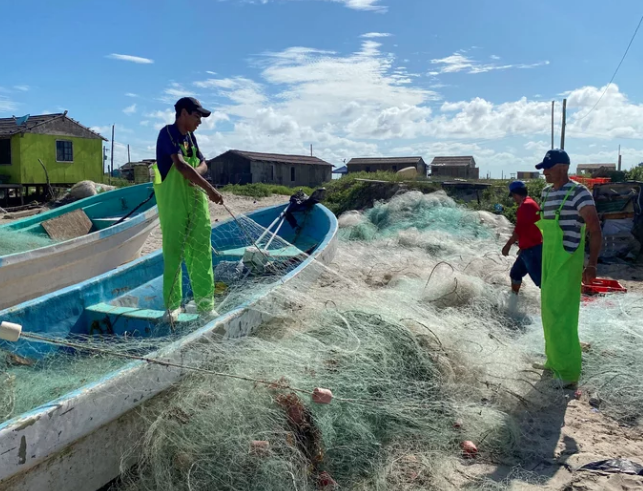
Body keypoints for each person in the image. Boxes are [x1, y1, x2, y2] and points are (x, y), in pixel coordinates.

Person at [534, 149, 602, 387]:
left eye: (548, 168)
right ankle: (554, 361)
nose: (544, 172)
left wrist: (591, 264)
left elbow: (595, 229)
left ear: (562, 167)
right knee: (548, 312)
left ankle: (569, 372)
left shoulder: (579, 193)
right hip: (549, 260)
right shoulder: (545, 193)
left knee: (563, 315)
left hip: (567, 261)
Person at [153, 97, 224, 316]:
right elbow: (181, 166)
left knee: (201, 252)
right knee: (174, 253)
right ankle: (173, 307)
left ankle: (205, 306)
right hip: (174, 205)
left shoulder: (191, 139)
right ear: (183, 113)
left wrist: (196, 175)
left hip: (196, 204)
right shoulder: (168, 134)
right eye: (197, 116)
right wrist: (210, 189)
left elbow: (203, 164)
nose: (200, 122)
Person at [502, 180, 543, 295]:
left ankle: (554, 306)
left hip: (532, 250)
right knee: (515, 273)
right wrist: (522, 245)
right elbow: (529, 228)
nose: (513, 199)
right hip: (528, 248)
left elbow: (519, 230)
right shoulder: (530, 203)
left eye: (513, 196)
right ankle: (514, 300)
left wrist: (508, 245)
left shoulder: (525, 206)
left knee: (542, 282)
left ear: (516, 194)